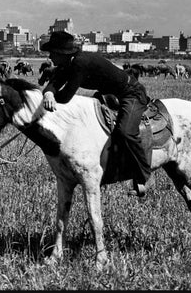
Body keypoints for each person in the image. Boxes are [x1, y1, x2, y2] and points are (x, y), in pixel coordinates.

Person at [40, 31, 152, 197]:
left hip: (131, 93)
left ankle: (145, 177)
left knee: (126, 132)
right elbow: (53, 84)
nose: (50, 57)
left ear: (62, 53)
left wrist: (52, 94)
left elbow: (66, 96)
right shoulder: (66, 64)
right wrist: (48, 94)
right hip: (108, 94)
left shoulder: (80, 63)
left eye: (52, 53)